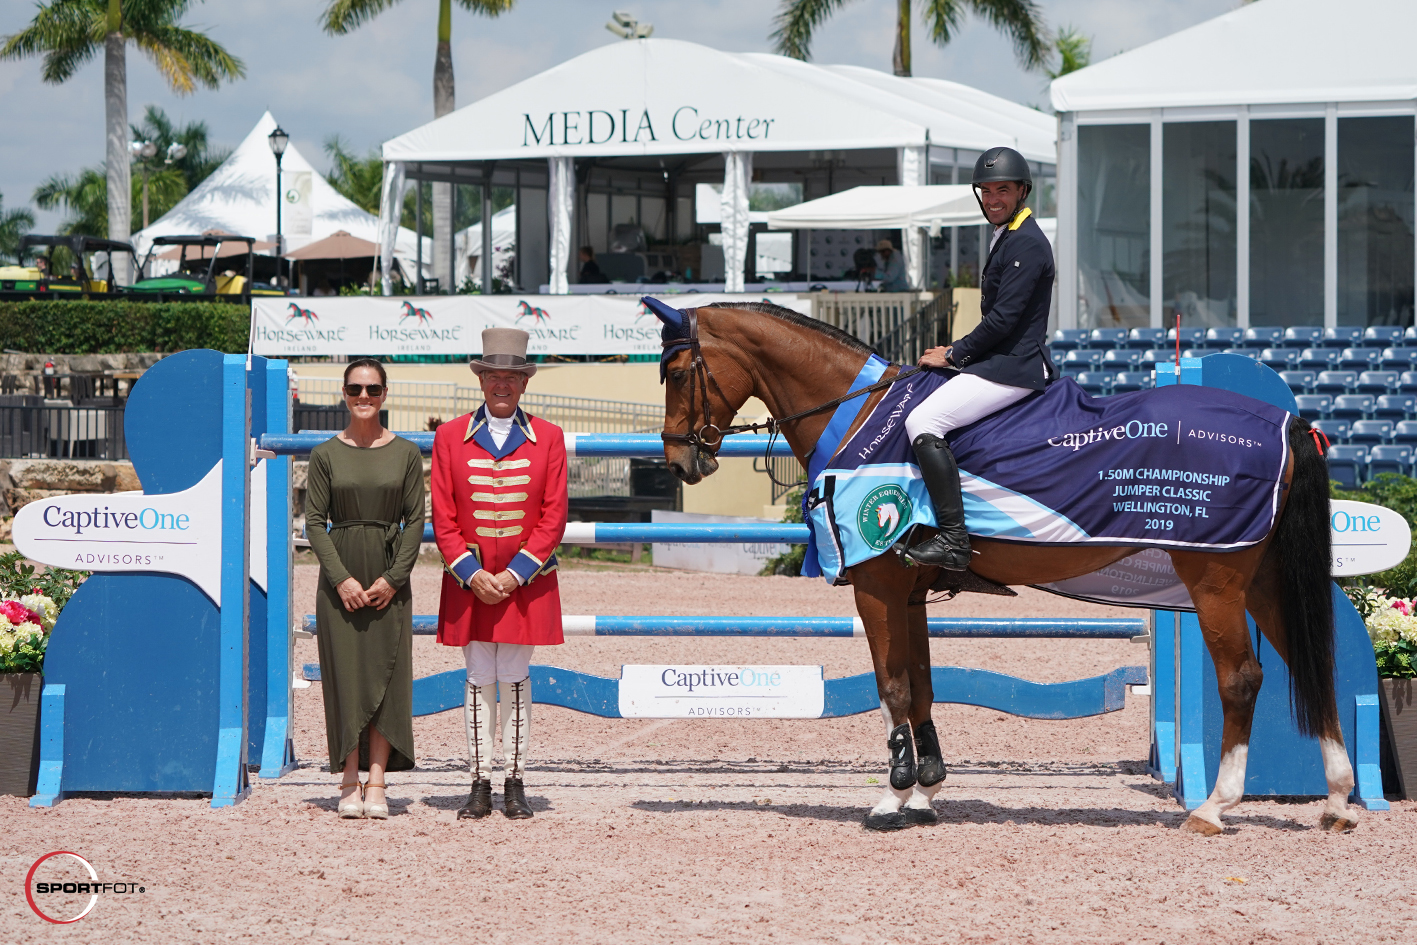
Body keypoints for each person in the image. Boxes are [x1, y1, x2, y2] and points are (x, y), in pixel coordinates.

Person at [432, 328, 568, 821]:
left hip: (523, 585)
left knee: (513, 676)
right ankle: (478, 782)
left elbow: (553, 517)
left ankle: (514, 780)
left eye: (511, 376)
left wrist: (513, 576)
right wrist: (472, 574)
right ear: (481, 379)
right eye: (493, 375)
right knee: (475, 677)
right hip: (470, 584)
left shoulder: (549, 438)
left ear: (524, 382)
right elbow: (442, 517)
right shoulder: (449, 436)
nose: (502, 384)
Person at [901, 146, 1056, 570]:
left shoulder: (1027, 242)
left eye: (1002, 190)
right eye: (986, 192)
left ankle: (954, 540)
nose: (993, 199)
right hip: (1000, 360)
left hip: (1013, 365)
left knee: (923, 421)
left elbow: (1004, 320)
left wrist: (954, 353)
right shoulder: (1008, 234)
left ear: (1022, 191)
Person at [305, 359, 425, 820]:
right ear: (343, 391)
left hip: (389, 576)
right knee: (345, 678)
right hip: (341, 576)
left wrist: (392, 579)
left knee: (387, 676)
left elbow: (415, 520)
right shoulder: (324, 455)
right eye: (356, 388)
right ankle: (348, 778)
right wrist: (342, 578)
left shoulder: (407, 453)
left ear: (385, 393)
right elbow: (314, 523)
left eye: (373, 389)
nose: (364, 396)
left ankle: (377, 780)